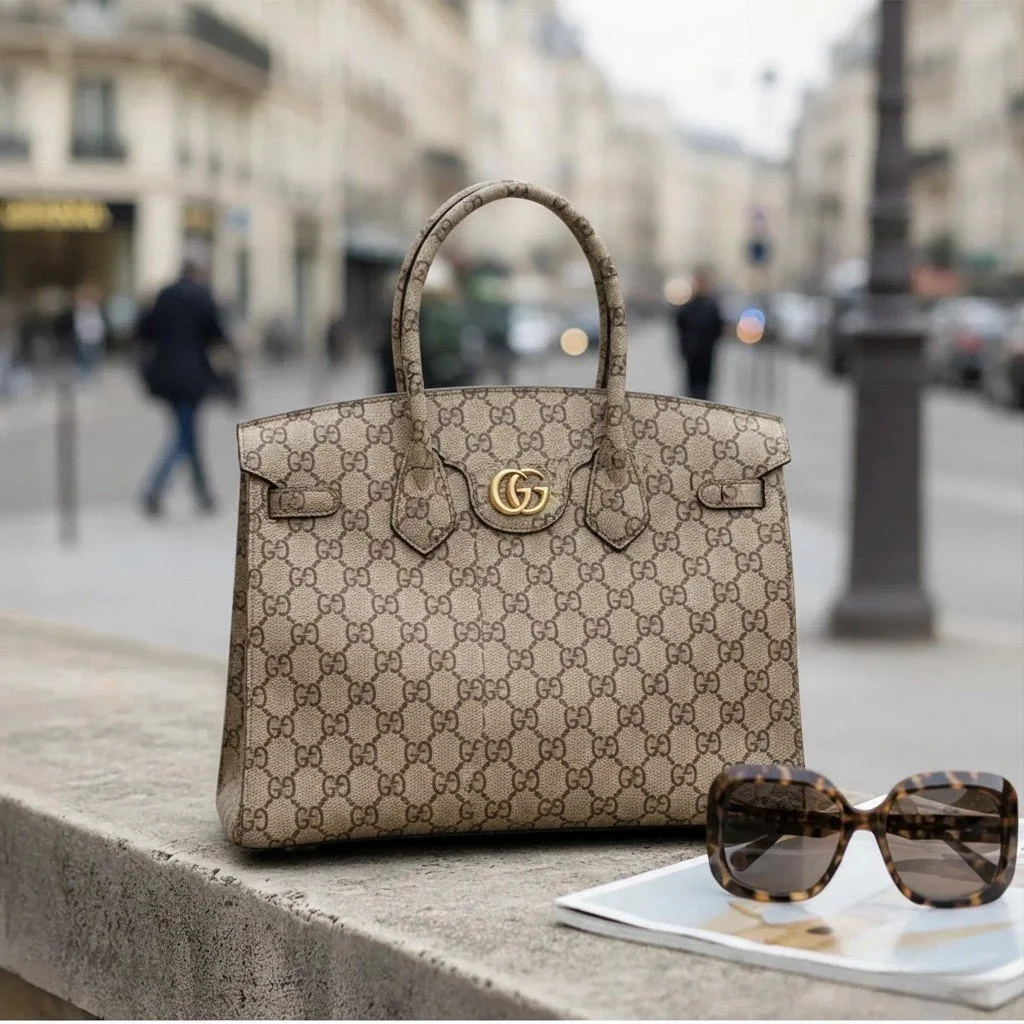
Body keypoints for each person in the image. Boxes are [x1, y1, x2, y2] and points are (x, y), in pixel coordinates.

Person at [136, 258, 229, 517]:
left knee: (187, 433)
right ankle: (154, 489)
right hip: (193, 376)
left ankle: (203, 494)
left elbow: (144, 331)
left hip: (165, 377)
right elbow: (218, 335)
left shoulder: (163, 297)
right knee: (183, 437)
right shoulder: (202, 297)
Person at [674, 267, 725, 401]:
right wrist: (684, 349)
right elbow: (680, 329)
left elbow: (718, 330)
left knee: (705, 391)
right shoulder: (687, 308)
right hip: (692, 355)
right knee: (691, 390)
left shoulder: (712, 307)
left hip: (706, 355)